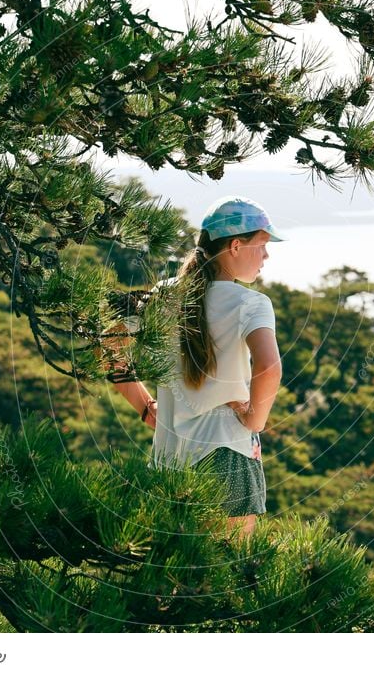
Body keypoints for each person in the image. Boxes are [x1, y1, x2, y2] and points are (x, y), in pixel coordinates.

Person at [106, 195, 286, 540]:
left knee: (170, 576)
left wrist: (146, 408)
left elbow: (109, 345)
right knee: (224, 574)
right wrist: (254, 420)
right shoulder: (251, 303)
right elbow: (270, 367)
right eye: (262, 245)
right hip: (228, 453)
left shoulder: (161, 294)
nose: (266, 256)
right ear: (235, 246)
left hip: (166, 461)